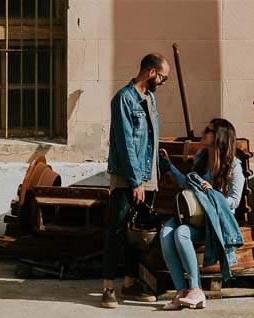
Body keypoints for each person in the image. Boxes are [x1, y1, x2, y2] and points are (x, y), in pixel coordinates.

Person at [101, 53, 171, 309]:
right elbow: (124, 142)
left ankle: (130, 283)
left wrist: (158, 164)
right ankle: (108, 286)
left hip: (147, 178)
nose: (163, 82)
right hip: (127, 179)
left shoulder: (149, 99)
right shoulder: (123, 99)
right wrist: (135, 181)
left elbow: (148, 139)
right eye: (162, 77)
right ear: (151, 72)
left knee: (137, 233)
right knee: (118, 230)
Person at [157, 118, 245, 311]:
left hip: (214, 222)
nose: (204, 132)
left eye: (208, 130)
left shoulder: (234, 168)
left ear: (220, 137)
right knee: (165, 233)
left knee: (181, 233)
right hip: (194, 214)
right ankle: (180, 292)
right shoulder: (201, 159)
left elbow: (234, 203)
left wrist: (213, 193)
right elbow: (186, 184)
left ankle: (196, 290)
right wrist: (169, 165)